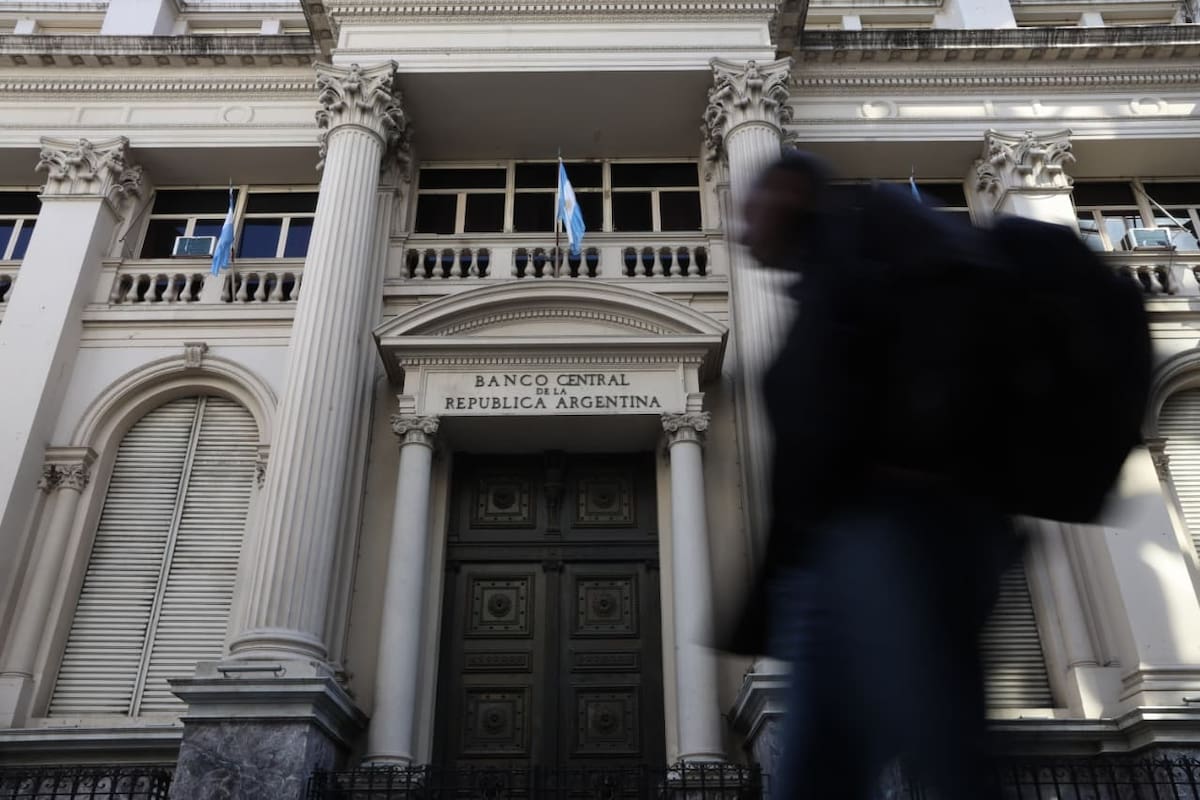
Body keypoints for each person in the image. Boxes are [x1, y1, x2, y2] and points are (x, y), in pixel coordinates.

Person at [730, 152, 1016, 799]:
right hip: (829, 561)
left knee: (939, 738)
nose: (742, 231)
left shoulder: (872, 245)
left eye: (751, 207)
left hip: (892, 534)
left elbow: (951, 338)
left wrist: (918, 456)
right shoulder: (821, 280)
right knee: (821, 767)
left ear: (791, 192)